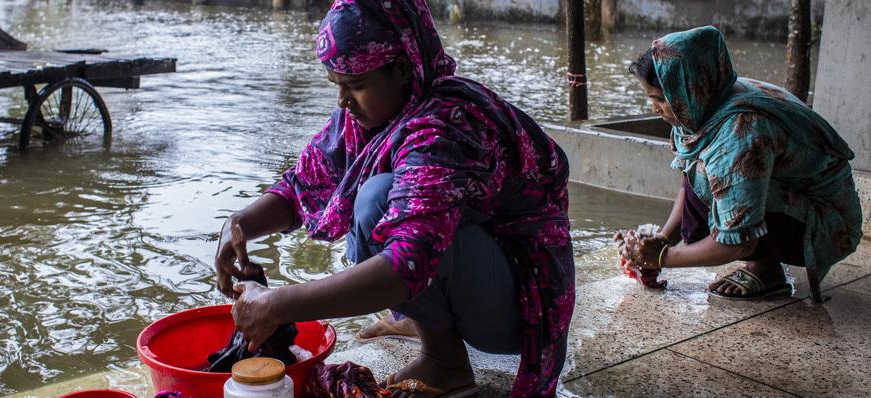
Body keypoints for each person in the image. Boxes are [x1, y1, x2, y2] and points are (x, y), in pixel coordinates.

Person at [213, 0, 575, 395]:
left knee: (375, 200)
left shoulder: (444, 126)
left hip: (520, 305)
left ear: (402, 69)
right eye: (337, 84)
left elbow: (408, 264)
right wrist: (241, 223)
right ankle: (438, 345)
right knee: (374, 204)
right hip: (477, 273)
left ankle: (442, 357)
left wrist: (277, 305)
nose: (343, 102)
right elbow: (304, 185)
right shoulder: (373, 116)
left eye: (355, 85)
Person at [616, 26, 862, 301]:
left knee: (724, 188)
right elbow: (689, 179)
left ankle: (766, 268)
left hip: (829, 224)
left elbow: (738, 243)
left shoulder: (740, 132)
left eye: (660, 99)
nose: (654, 108)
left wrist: (663, 258)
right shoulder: (707, 98)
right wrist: (662, 240)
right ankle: (766, 264)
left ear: (683, 91)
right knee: (706, 177)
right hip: (794, 196)